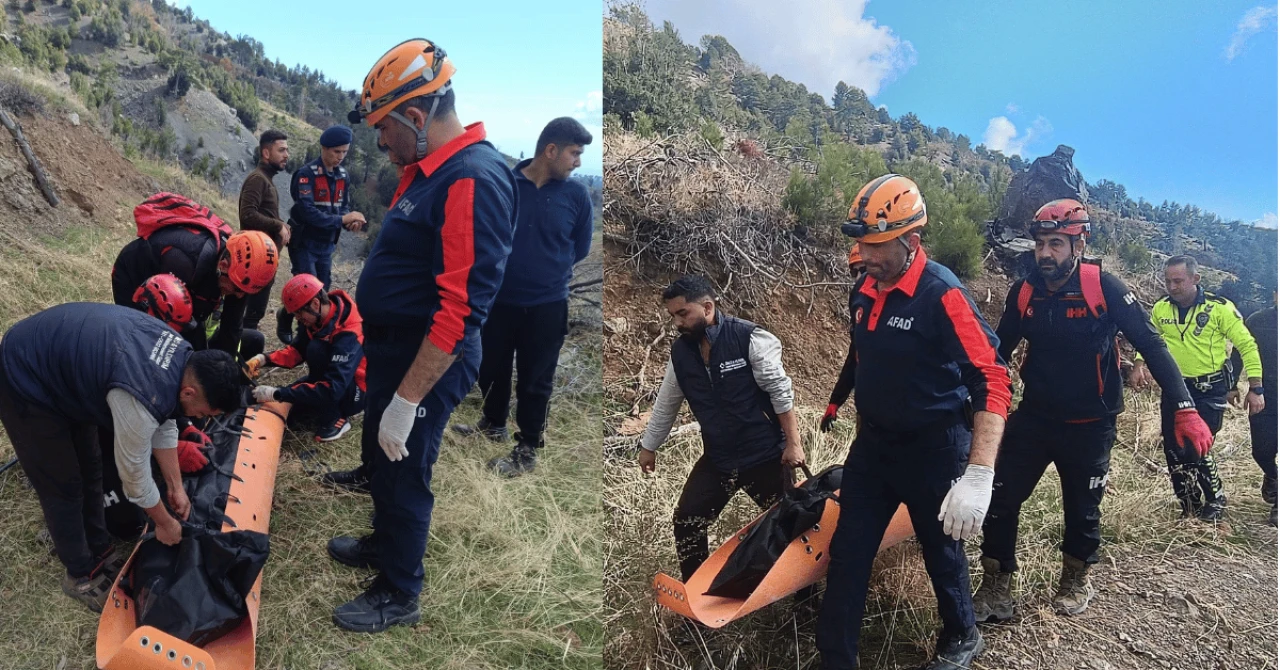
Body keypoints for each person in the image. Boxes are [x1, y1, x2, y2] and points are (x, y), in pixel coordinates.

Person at [330, 38, 516, 633]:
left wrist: (407, 400)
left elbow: (460, 311)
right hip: (396, 349)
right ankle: (385, 546)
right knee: (384, 463)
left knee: (405, 466)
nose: (379, 142)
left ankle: (400, 591)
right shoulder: (428, 171)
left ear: (415, 117)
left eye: (384, 129)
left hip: (427, 358)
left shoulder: (471, 178)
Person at [970, 200, 1213, 623]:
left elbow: (1152, 345)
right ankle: (996, 583)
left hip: (1091, 422)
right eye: (1041, 243)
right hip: (1036, 416)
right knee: (1001, 496)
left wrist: (1184, 407)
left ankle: (1076, 578)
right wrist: (967, 399)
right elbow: (996, 351)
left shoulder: (1105, 287)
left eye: (1056, 244)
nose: (1045, 253)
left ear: (1079, 243)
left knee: (1082, 507)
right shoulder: (1026, 291)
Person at [815, 174, 1011, 670]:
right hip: (875, 449)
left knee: (941, 551)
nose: (867, 254)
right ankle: (836, 659)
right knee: (849, 553)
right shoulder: (864, 286)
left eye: (878, 244)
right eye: (862, 242)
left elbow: (991, 375)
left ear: (912, 240)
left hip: (935, 445)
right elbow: (862, 357)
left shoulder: (941, 293)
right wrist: (841, 404)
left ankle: (963, 636)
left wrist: (979, 472)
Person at [0, 303, 244, 611]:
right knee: (64, 485)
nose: (198, 419)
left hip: (71, 374)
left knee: (91, 468)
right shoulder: (139, 396)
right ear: (191, 392)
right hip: (26, 375)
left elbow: (166, 421)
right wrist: (165, 523)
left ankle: (99, 549)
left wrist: (175, 487)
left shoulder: (184, 360)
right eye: (203, 413)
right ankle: (80, 574)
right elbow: (135, 478)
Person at [636, 275, 804, 582]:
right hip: (719, 459)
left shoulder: (750, 338)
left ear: (708, 307)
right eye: (673, 316)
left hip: (766, 455)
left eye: (683, 314)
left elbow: (781, 391)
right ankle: (697, 597)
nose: (677, 323)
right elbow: (667, 403)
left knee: (790, 527)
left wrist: (793, 444)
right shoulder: (680, 354)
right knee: (687, 520)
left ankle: (802, 600)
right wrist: (649, 446)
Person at [451, 117, 594, 477]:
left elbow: (580, 248)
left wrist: (545, 272)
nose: (578, 162)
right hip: (497, 299)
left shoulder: (576, 196)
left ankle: (528, 446)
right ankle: (493, 422)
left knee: (536, 378)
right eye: (574, 153)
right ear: (551, 150)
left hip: (547, 304)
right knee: (491, 366)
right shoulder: (506, 184)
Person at [1131, 255, 1264, 520]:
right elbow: (1149, 341)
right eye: (1168, 281)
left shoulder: (1219, 309)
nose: (1172, 286)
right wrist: (1138, 364)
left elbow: (1247, 345)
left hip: (1209, 390)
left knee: (1197, 446)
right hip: (1175, 390)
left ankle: (1216, 500)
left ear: (1196, 279)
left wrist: (1255, 387)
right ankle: (1188, 505)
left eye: (1178, 281)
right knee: (1173, 450)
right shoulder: (1161, 309)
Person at [111, 192, 279, 360]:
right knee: (148, 341)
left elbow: (231, 329)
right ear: (223, 266)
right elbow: (179, 324)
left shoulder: (240, 277)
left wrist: (226, 372)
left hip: (194, 279)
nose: (240, 295)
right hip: (133, 275)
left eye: (245, 292)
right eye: (237, 289)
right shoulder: (186, 262)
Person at [247, 274, 367, 450]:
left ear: (315, 304)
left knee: (316, 350)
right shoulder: (315, 318)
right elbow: (297, 350)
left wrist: (278, 393)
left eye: (298, 313)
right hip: (330, 381)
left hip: (354, 391)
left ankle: (336, 418)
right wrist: (264, 359)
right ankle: (317, 401)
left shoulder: (349, 332)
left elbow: (334, 387)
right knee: (293, 407)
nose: (297, 318)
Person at [278, 125, 367, 344]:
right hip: (305, 242)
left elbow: (342, 207)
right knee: (307, 293)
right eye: (337, 152)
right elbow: (308, 213)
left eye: (345, 152)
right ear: (324, 148)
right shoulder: (306, 175)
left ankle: (294, 320)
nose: (341, 157)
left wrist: (349, 222)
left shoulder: (343, 176)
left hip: (326, 245)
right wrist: (341, 220)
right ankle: (302, 342)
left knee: (323, 292)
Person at [238, 129, 291, 334]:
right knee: (247, 319)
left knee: (253, 317)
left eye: (287, 150)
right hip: (255, 261)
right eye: (282, 150)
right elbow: (247, 216)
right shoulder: (257, 179)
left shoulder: (266, 179)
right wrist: (277, 225)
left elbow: (263, 214)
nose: (286, 155)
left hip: (264, 260)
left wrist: (282, 226)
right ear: (266, 153)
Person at [1234, 294, 1277, 525]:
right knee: (1261, 450)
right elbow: (1238, 352)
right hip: (1263, 393)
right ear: (1275, 295)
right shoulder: (1258, 321)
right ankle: (1272, 474)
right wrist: (1231, 386)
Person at [820, 243, 866, 433]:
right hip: (869, 409)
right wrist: (835, 402)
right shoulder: (858, 299)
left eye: (863, 270)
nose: (858, 277)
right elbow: (855, 355)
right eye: (853, 273)